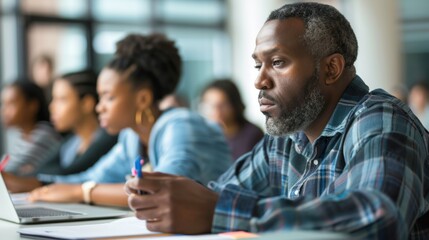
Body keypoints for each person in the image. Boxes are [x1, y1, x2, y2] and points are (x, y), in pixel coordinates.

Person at [125, 3, 429, 239]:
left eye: (278, 62)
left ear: (332, 68)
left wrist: (219, 210)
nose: (259, 80)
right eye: (258, 64)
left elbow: (377, 219)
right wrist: (174, 198)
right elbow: (219, 194)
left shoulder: (380, 119)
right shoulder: (286, 139)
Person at [8, 33, 231, 207]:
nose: (99, 107)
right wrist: (31, 185)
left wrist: (82, 192)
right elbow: (92, 177)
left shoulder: (180, 125)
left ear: (143, 98)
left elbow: (162, 190)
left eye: (108, 96)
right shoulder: (131, 137)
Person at [2, 71, 118, 188]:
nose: (51, 107)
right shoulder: (70, 142)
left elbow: (68, 172)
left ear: (86, 104)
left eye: (61, 99)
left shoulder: (108, 137)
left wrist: (30, 175)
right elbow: (42, 169)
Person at [0, 80, 61, 176]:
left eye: (11, 103)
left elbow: (10, 172)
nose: (4, 110)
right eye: (3, 104)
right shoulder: (22, 136)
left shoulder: (44, 135)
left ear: (32, 105)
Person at [200, 79, 264, 160]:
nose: (216, 112)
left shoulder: (252, 134)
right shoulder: (202, 135)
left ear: (234, 105)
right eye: (210, 106)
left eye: (222, 105)